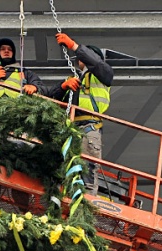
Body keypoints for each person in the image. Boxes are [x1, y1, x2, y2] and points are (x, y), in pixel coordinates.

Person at [49, 33, 113, 196]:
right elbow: (50, 100)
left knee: (87, 174)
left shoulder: (102, 75)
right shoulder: (76, 81)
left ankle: (87, 203)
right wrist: (63, 86)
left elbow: (96, 62)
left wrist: (73, 45)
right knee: (65, 172)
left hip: (88, 128)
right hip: (71, 130)